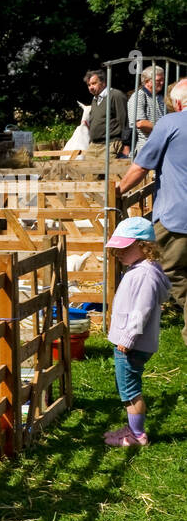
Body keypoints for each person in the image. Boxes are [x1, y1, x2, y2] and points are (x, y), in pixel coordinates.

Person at [115, 77, 187, 337]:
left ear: (177, 103)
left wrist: (118, 190)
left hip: (177, 216)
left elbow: (141, 166)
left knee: (172, 269)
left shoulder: (170, 123)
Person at [102, 217, 169, 447]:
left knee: (130, 390)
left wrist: (128, 337)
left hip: (130, 344)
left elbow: (142, 310)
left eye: (124, 247)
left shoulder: (144, 275)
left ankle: (137, 435)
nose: (118, 252)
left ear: (143, 246)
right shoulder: (141, 269)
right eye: (117, 248)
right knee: (128, 387)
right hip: (129, 342)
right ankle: (133, 428)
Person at [84, 68, 128, 158]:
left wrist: (126, 145)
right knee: (87, 170)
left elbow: (124, 121)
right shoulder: (95, 99)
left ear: (103, 82)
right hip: (94, 146)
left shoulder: (116, 95)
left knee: (109, 171)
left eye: (94, 83)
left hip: (110, 144)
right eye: (89, 85)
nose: (91, 87)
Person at [130, 65, 167, 153]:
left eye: (163, 79)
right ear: (147, 81)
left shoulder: (160, 98)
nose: (162, 83)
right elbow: (140, 123)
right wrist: (165, 129)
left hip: (161, 146)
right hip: (147, 148)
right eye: (158, 80)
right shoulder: (139, 96)